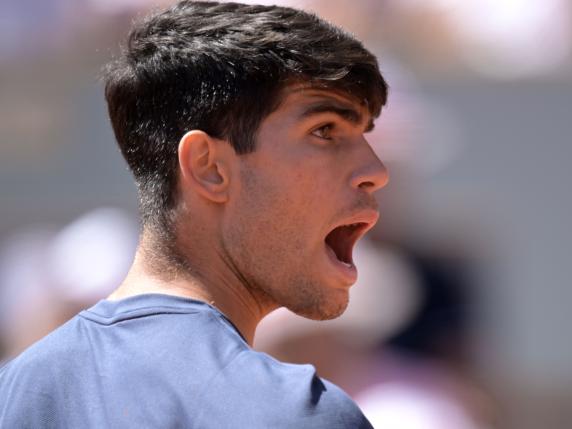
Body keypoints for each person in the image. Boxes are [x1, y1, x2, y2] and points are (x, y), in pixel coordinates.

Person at [0, 1, 389, 427]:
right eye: (324, 130)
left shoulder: (13, 393)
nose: (375, 172)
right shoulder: (292, 413)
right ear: (209, 167)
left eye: (363, 135)